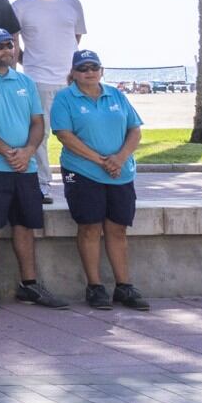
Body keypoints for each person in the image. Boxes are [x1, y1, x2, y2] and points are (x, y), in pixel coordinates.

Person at [0, 28, 69, 309]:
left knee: (25, 226)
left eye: (9, 45)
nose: (6, 50)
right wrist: (6, 152)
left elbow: (38, 122)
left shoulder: (25, 81)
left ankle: (30, 285)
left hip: (25, 167)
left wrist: (28, 152)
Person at [51, 50, 148, 311]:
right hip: (83, 172)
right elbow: (64, 135)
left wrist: (120, 158)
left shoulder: (116, 95)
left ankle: (124, 286)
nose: (89, 72)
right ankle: (95, 287)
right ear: (73, 73)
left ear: (102, 70)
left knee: (117, 229)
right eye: (83, 68)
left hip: (120, 173)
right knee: (90, 228)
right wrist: (100, 160)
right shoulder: (64, 98)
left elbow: (134, 129)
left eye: (94, 67)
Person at [12, 0, 87, 198]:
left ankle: (84, 182)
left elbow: (75, 39)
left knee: (78, 133)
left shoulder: (72, 3)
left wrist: (71, 70)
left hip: (73, 82)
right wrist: (31, 64)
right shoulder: (20, 6)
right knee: (39, 134)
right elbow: (14, 45)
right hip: (37, 80)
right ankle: (42, 184)